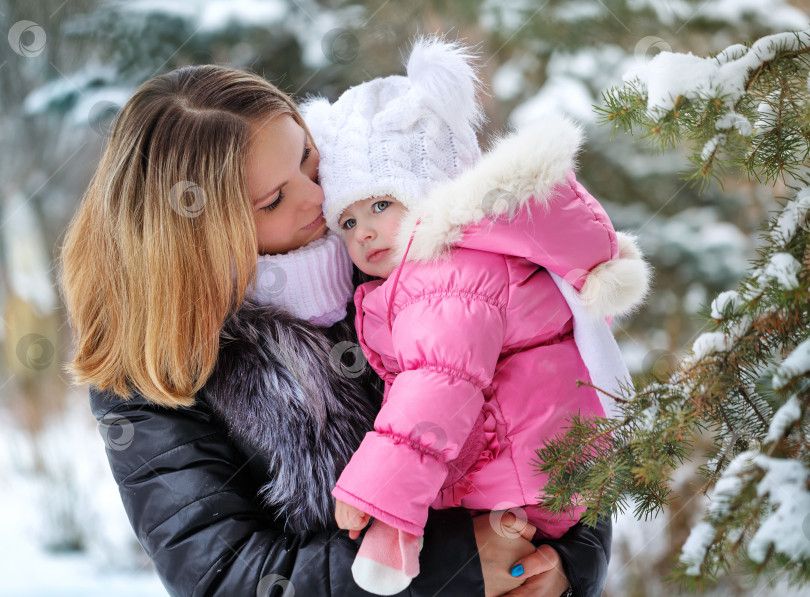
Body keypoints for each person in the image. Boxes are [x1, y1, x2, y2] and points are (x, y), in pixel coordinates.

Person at [58, 60, 614, 596]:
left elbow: (560, 403)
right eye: (274, 199)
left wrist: (565, 562)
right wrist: (457, 567)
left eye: (307, 158)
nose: (317, 196)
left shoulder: (401, 251)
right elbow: (221, 576)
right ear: (199, 234)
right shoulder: (151, 368)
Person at [300, 39, 650, 595]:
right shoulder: (450, 266)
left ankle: (393, 534)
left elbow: (438, 385)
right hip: (540, 473)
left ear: (431, 192)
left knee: (394, 505)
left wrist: (379, 490)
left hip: (516, 476)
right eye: (346, 220)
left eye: (382, 204)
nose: (362, 231)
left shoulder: (444, 272)